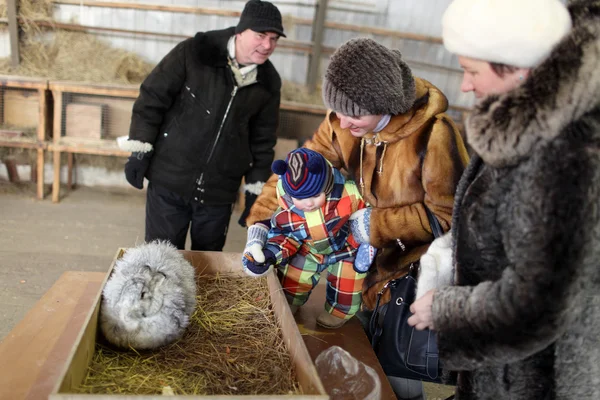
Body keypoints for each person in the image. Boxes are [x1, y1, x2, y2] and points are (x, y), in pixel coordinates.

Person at [244, 37, 469, 399]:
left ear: (385, 104)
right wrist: (260, 223)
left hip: (400, 278)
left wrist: (375, 226)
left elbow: (449, 216)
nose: (344, 123)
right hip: (354, 271)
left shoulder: (434, 135)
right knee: (354, 361)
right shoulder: (341, 123)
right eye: (338, 111)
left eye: (354, 114)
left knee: (395, 381)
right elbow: (299, 169)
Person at [408, 0, 600, 399]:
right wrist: (451, 251)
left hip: (535, 380)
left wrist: (444, 308)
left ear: (519, 70)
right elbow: (503, 219)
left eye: (471, 71)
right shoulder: (520, 122)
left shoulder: (564, 155)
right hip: (497, 373)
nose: (464, 85)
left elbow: (538, 303)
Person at [119, 0, 284, 251]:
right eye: (261, 35)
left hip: (219, 193)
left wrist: (256, 192)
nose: (267, 45)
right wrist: (140, 149)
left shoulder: (269, 83)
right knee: (161, 260)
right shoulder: (195, 52)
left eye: (274, 39)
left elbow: (262, 142)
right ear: (241, 31)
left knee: (207, 267)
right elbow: (153, 97)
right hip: (170, 180)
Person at [242, 148, 377, 329]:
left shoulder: (349, 194)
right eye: (300, 198)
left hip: (345, 247)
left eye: (315, 195)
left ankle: (338, 311)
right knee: (294, 274)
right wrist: (270, 254)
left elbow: (369, 208)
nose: (308, 203)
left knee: (348, 283)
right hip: (309, 248)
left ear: (327, 185)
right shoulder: (287, 211)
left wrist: (368, 231)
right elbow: (285, 236)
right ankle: (291, 301)